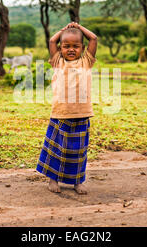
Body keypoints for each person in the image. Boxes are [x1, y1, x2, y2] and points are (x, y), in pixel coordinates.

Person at [36, 22, 98, 194]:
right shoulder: (58, 62)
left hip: (82, 115)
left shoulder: (86, 62)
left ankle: (77, 182)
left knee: (78, 152)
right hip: (60, 114)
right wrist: (63, 30)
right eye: (66, 46)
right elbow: (51, 41)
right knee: (57, 149)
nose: (71, 50)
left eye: (76, 46)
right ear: (61, 48)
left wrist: (79, 27)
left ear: (82, 48)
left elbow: (93, 38)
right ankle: (53, 179)